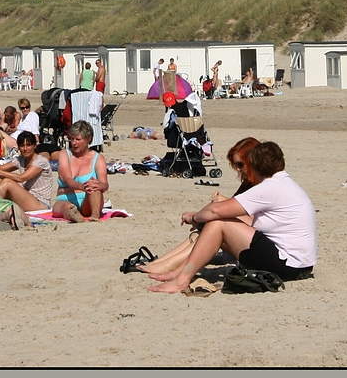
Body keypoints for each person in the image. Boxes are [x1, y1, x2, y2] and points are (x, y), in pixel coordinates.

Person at [145, 141, 317, 293]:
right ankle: (179, 272)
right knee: (220, 223)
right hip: (301, 265)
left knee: (218, 223)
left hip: (288, 265)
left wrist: (194, 218)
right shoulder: (285, 183)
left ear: (255, 165)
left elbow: (215, 211)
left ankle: (181, 280)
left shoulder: (270, 187)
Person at [137, 138, 260, 277]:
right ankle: (163, 261)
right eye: (235, 164)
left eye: (240, 164)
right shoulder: (249, 183)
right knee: (205, 227)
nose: (237, 169)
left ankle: (170, 265)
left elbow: (254, 218)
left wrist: (218, 205)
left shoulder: (262, 185)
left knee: (214, 221)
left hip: (256, 243)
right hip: (247, 237)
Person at [53, 121, 109, 222]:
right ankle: (73, 215)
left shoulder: (98, 158)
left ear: (88, 139)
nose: (74, 143)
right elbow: (67, 179)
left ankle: (95, 214)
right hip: (65, 198)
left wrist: (99, 185)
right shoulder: (65, 154)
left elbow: (105, 184)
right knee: (66, 207)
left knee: (95, 186)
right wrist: (83, 187)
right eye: (72, 139)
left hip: (88, 200)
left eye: (78, 139)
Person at [0, 131, 54, 211]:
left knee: (7, 182)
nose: (25, 149)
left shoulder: (41, 161)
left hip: (40, 204)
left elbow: (21, 178)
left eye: (28, 145)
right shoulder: (21, 160)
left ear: (35, 146)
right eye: (22, 145)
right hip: (27, 197)